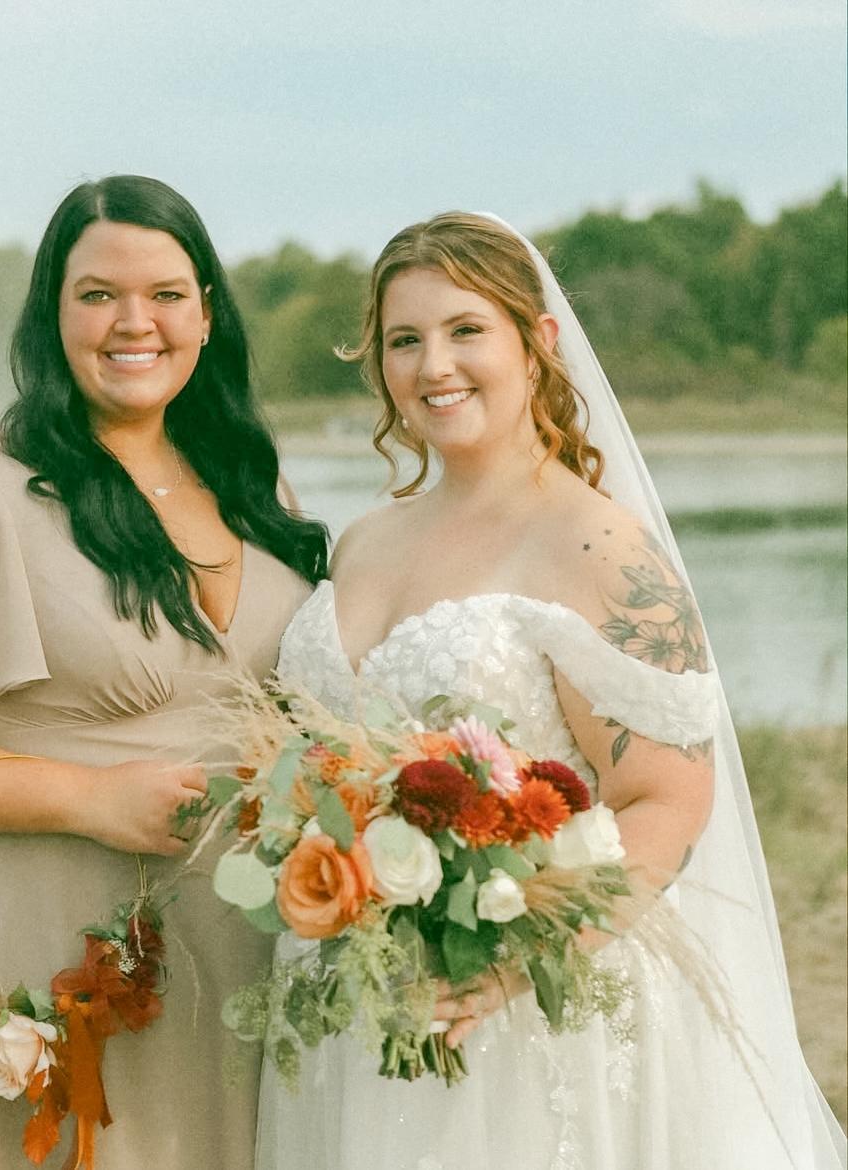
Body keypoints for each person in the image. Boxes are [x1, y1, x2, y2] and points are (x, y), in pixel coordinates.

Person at [259, 212, 846, 1169]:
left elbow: (668, 800)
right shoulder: (365, 539)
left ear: (536, 344)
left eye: (465, 329)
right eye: (404, 340)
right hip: (357, 1002)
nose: (434, 365)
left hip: (526, 1016)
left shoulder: (597, 545)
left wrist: (518, 958)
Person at [0, 174, 328, 1170]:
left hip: (239, 955)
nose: (135, 322)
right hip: (42, 942)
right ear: (52, 316)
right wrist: (87, 797)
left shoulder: (252, 488)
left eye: (166, 294)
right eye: (98, 295)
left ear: (207, 315)